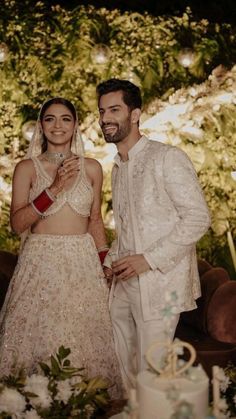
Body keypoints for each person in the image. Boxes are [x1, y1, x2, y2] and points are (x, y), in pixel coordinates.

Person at [0, 97, 123, 398]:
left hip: (82, 262)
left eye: (66, 118)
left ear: (76, 125)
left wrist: (105, 261)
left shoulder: (93, 168)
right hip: (40, 260)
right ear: (41, 126)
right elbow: (17, 224)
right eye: (50, 119)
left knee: (85, 338)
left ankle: (84, 402)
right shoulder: (27, 168)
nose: (58, 125)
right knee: (39, 337)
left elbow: (95, 221)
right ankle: (36, 402)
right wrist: (53, 189)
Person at [96, 78, 211, 390]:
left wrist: (148, 259)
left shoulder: (166, 158)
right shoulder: (118, 166)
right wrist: (113, 260)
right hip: (124, 280)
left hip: (161, 283)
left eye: (114, 109)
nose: (106, 118)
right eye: (102, 111)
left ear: (135, 114)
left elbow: (199, 218)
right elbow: (128, 227)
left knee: (153, 369)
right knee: (124, 363)